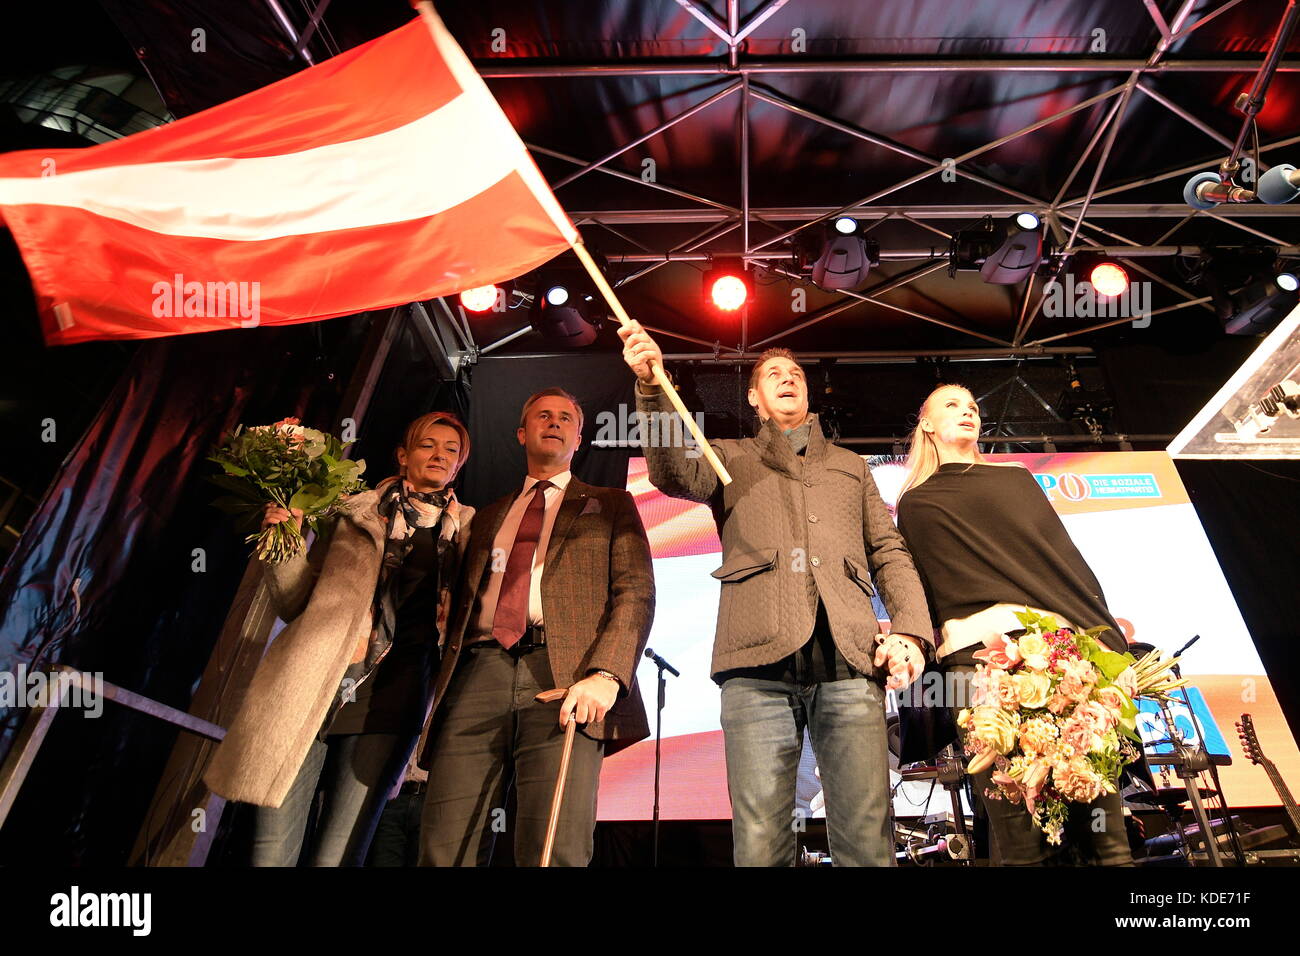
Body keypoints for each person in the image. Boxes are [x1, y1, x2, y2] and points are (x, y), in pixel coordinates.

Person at [619, 322, 933, 866]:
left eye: (795, 374)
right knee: (762, 838)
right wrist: (651, 386)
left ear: (807, 393)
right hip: (755, 664)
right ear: (755, 399)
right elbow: (670, 472)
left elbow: (888, 551)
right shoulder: (727, 457)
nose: (787, 379)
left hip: (849, 660)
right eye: (772, 374)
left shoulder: (850, 467)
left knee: (865, 837)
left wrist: (909, 631)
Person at [203, 412, 474, 866]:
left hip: (393, 702)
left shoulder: (468, 530)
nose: (440, 455)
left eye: (451, 449)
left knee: (338, 858)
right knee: (271, 854)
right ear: (404, 455)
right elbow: (292, 603)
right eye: (429, 444)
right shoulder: (351, 509)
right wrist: (285, 539)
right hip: (314, 688)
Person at [894, 383, 1134, 866]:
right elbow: (920, 591)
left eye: (973, 407)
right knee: (1014, 825)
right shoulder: (915, 504)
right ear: (926, 424)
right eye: (952, 405)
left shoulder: (1017, 480)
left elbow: (1062, 566)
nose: (967, 413)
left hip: (1061, 655)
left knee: (1100, 816)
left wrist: (1106, 644)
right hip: (975, 664)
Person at [418, 388, 654, 867]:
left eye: (565, 417)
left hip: (566, 676)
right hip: (476, 673)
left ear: (579, 437)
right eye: (542, 415)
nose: (554, 421)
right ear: (522, 433)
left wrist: (605, 675)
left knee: (554, 847)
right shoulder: (485, 517)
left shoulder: (611, 504)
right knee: (445, 846)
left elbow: (636, 593)